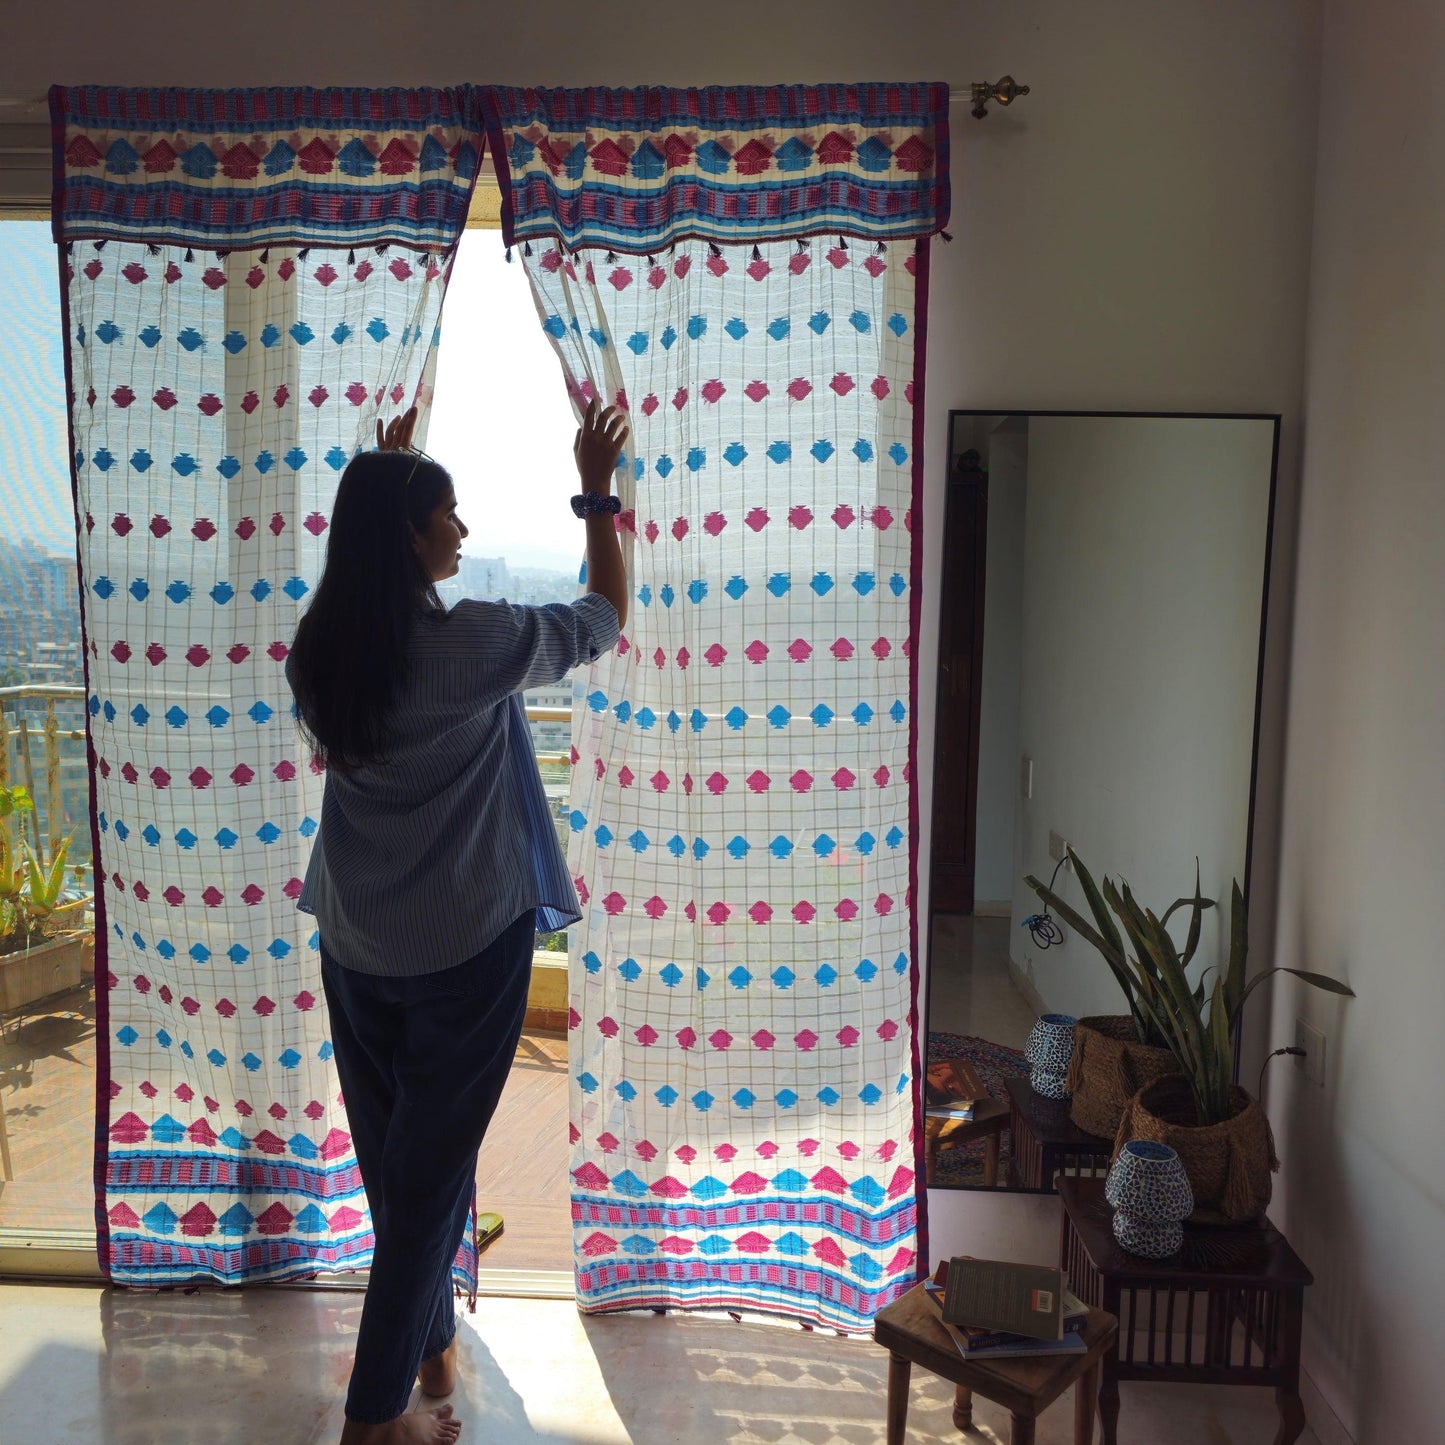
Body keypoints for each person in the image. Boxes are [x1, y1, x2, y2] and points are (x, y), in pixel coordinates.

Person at [286, 400, 629, 1445]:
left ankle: (431, 1343)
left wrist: (392, 464)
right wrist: (595, 493)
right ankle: (372, 1417)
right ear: (410, 535)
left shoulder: (319, 653)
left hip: (353, 936)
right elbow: (602, 616)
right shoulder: (473, 641)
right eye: (448, 513)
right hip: (463, 949)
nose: (465, 532)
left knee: (403, 1168)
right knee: (427, 1178)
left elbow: (378, 559)